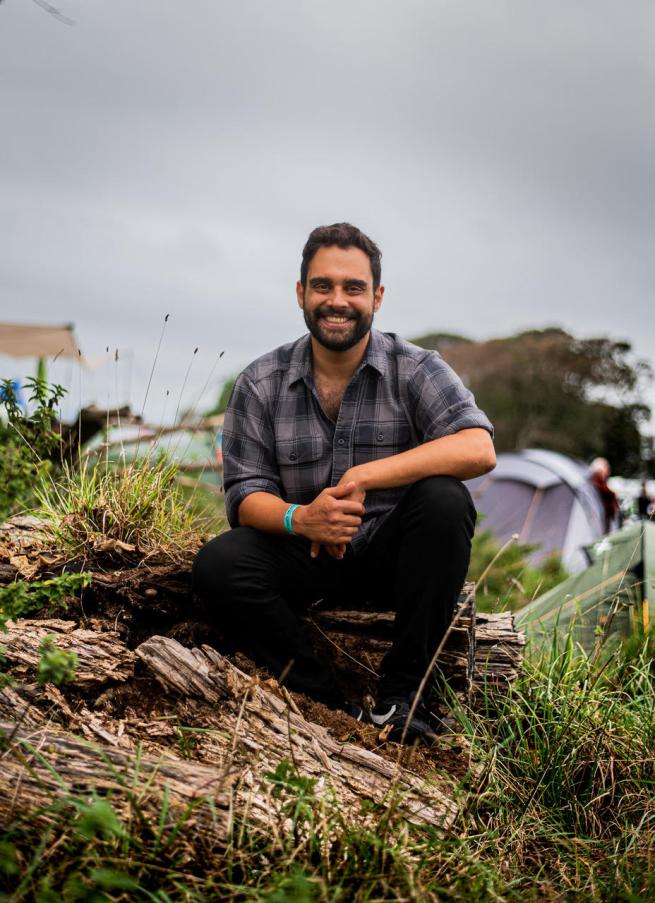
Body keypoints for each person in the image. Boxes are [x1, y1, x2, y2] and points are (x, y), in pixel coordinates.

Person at [193, 223, 495, 742]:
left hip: (393, 561)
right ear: (300, 293)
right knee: (220, 563)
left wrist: (365, 475)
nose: (338, 301)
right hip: (305, 558)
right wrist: (302, 518)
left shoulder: (416, 368)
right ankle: (327, 702)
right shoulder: (260, 381)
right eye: (323, 286)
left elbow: (477, 447)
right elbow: (244, 496)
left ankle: (403, 700)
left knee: (445, 500)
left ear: (376, 297)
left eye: (354, 287)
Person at [590, 457, 620, 533]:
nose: (607, 472)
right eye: (606, 469)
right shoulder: (596, 482)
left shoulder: (601, 483)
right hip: (600, 518)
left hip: (603, 518)